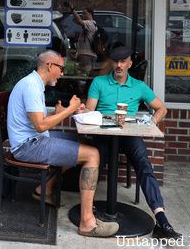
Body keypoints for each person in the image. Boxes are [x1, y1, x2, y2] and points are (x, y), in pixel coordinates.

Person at [7, 50, 118, 238]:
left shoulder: (34, 83)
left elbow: (35, 120)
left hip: (34, 139)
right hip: (28, 146)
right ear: (50, 66)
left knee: (81, 141)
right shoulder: (32, 86)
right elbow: (41, 125)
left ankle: (44, 189)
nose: (62, 73)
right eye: (61, 68)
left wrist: (58, 113)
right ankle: (87, 223)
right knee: (92, 155)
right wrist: (69, 110)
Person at [83, 45, 182, 240]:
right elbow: (89, 110)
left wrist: (151, 122)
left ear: (130, 63)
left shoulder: (139, 86)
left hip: (129, 134)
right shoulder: (99, 82)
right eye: (116, 61)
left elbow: (162, 109)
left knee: (144, 164)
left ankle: (162, 220)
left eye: (123, 62)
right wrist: (86, 112)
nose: (119, 65)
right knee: (94, 161)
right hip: (103, 133)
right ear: (112, 63)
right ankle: (88, 211)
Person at [70, 6, 97, 74]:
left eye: (85, 13)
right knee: (81, 73)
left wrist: (73, 10)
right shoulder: (90, 24)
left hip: (87, 55)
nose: (83, 15)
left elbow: (79, 21)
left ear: (90, 14)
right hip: (85, 54)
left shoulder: (90, 23)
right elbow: (76, 20)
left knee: (85, 73)